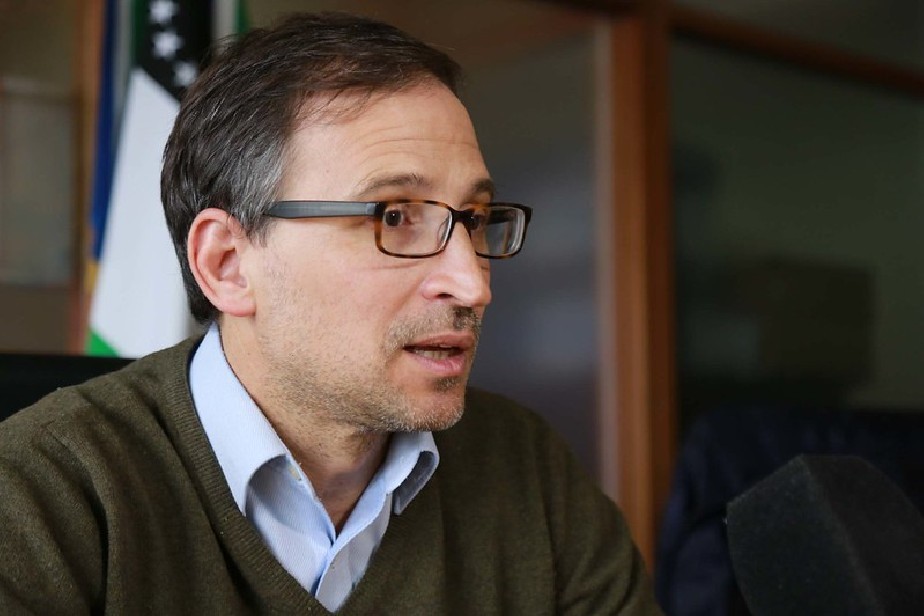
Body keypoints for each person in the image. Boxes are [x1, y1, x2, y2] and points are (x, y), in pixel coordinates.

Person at [0, 12, 661, 614]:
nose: (472, 285)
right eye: (394, 217)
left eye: (476, 218)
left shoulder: (528, 471)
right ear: (227, 264)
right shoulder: (42, 493)